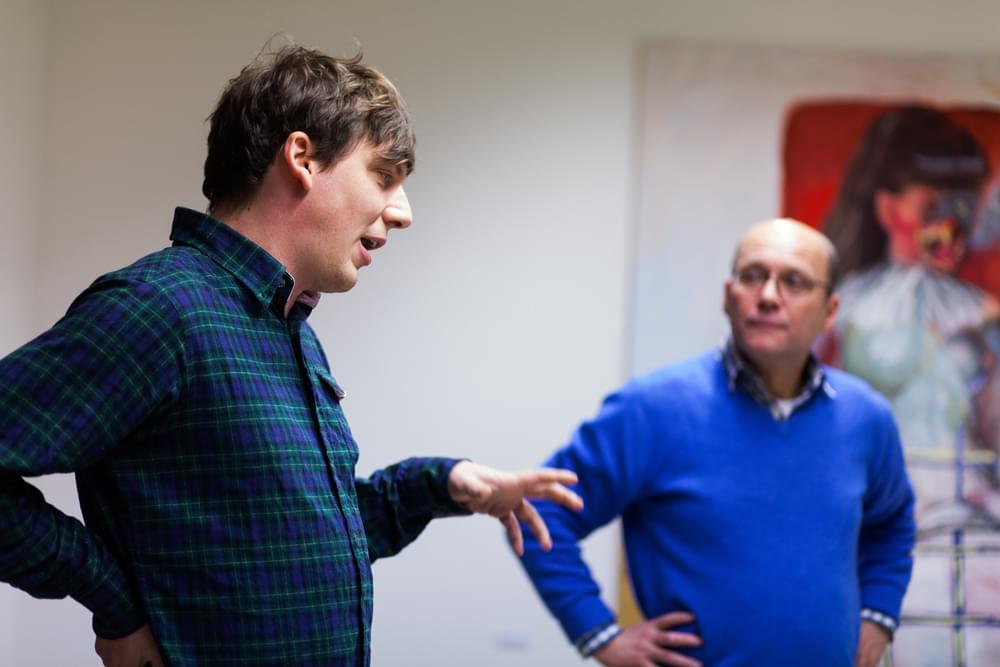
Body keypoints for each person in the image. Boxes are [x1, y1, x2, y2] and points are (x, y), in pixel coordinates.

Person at [0, 45, 582, 667]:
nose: (403, 213)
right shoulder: (161, 309)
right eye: (384, 176)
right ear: (302, 158)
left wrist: (441, 485)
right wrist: (115, 600)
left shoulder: (290, 331)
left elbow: (295, 546)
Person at [517, 218, 916, 667]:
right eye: (752, 276)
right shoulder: (652, 408)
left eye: (794, 282)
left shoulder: (866, 417)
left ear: (830, 310)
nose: (768, 296)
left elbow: (892, 523)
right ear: (728, 296)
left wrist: (879, 613)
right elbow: (539, 509)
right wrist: (600, 634)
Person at [822, 105, 1000, 665]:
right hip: (879, 530)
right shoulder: (839, 310)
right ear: (887, 208)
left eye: (963, 207)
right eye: (933, 207)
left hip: (971, 529)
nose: (951, 225)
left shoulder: (982, 318)